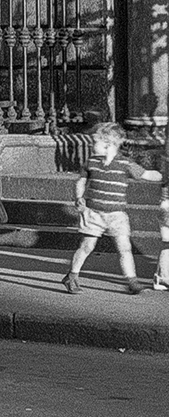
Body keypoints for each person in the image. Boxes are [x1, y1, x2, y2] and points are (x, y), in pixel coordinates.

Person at [63, 121, 158, 294]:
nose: (92, 146)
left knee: (125, 247)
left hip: (117, 215)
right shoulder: (91, 162)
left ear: (108, 145)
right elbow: (81, 181)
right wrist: (78, 197)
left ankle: (132, 280)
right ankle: (72, 275)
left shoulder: (125, 164)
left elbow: (146, 174)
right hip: (94, 213)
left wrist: (162, 176)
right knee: (87, 246)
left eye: (95, 142)